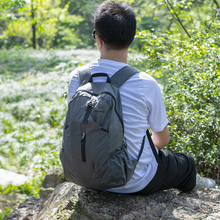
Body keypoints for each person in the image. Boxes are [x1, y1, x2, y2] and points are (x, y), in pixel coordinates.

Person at [67, 0, 215, 194]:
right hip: (133, 181)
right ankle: (205, 188)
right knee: (184, 163)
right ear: (132, 38)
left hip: (82, 175)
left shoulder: (77, 77)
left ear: (98, 39)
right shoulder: (145, 83)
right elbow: (161, 140)